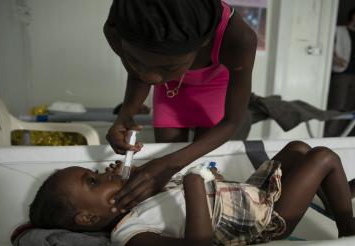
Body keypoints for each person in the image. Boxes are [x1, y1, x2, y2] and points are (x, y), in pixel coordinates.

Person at [29, 141, 355, 246]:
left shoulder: (136, 201)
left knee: (298, 151)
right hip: (263, 220)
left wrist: (132, 173)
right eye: (93, 181)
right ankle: (346, 224)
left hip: (247, 192)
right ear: (89, 219)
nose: (103, 175)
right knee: (320, 156)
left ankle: (331, 192)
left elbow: (162, 187)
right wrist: (195, 185)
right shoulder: (129, 234)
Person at [103, 0, 257, 213]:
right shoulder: (117, 28)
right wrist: (125, 115)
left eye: (168, 66)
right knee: (168, 155)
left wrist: (169, 165)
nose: (151, 78)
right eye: (135, 60)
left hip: (215, 86)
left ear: (205, 41)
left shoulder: (238, 38)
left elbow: (231, 121)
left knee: (204, 165)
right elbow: (140, 73)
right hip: (172, 88)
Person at [324, 6, 355, 137]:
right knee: (338, 106)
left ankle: (340, 136)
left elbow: (353, 52)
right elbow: (327, 44)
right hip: (341, 73)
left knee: (350, 107)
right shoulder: (338, 30)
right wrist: (335, 57)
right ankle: (328, 136)